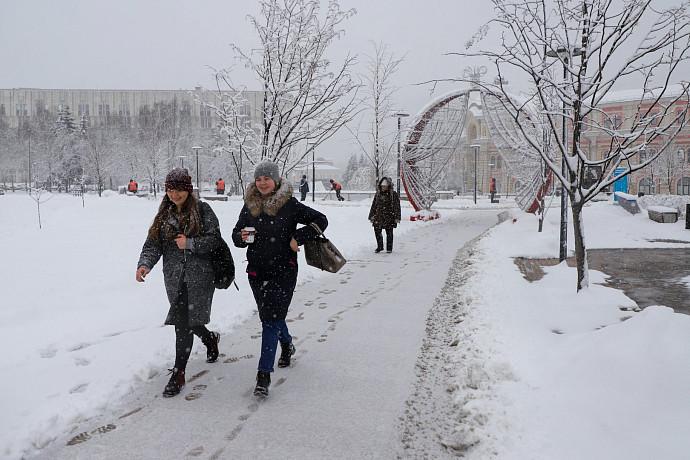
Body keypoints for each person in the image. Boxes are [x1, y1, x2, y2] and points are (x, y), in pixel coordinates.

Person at [232, 160, 327, 396]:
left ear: (275, 180)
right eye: (259, 179)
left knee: (269, 321)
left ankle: (263, 375)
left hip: (284, 270)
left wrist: (299, 237)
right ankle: (286, 343)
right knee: (270, 316)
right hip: (256, 271)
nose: (262, 182)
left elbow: (321, 220)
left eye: (267, 178)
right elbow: (235, 235)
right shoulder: (250, 205)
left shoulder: (290, 204)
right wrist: (242, 236)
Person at [135, 168, 222, 398]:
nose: (175, 194)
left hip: (200, 277)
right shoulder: (164, 215)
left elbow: (215, 240)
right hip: (174, 277)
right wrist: (144, 264)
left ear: (188, 189)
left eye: (179, 189)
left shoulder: (203, 210)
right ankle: (209, 338)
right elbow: (153, 244)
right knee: (186, 321)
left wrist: (191, 244)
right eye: (171, 189)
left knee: (184, 322)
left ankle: (179, 372)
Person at [368, 176, 401, 253]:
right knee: (377, 231)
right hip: (378, 216)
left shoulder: (393, 195)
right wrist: (371, 215)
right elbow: (374, 205)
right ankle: (380, 246)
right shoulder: (378, 194)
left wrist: (397, 217)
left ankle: (389, 248)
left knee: (389, 233)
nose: (383, 187)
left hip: (389, 216)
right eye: (382, 186)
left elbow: (397, 207)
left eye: (385, 186)